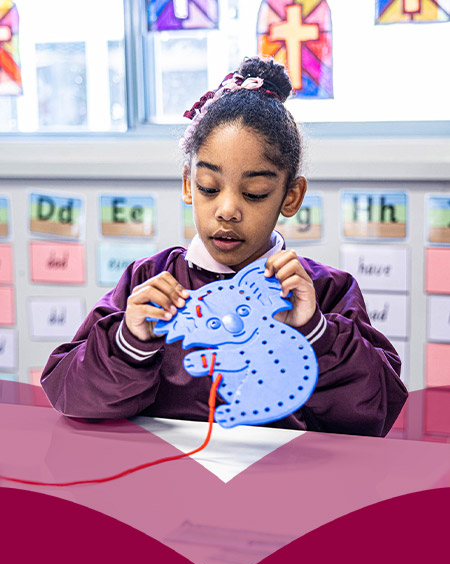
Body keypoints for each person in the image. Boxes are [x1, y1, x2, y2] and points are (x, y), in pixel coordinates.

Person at [41, 57, 407, 436]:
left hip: (284, 484)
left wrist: (315, 333)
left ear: (291, 196)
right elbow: (69, 393)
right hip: (162, 482)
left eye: (255, 193)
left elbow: (374, 412)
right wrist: (130, 342)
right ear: (188, 185)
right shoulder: (149, 280)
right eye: (209, 188)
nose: (228, 210)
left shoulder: (324, 291)